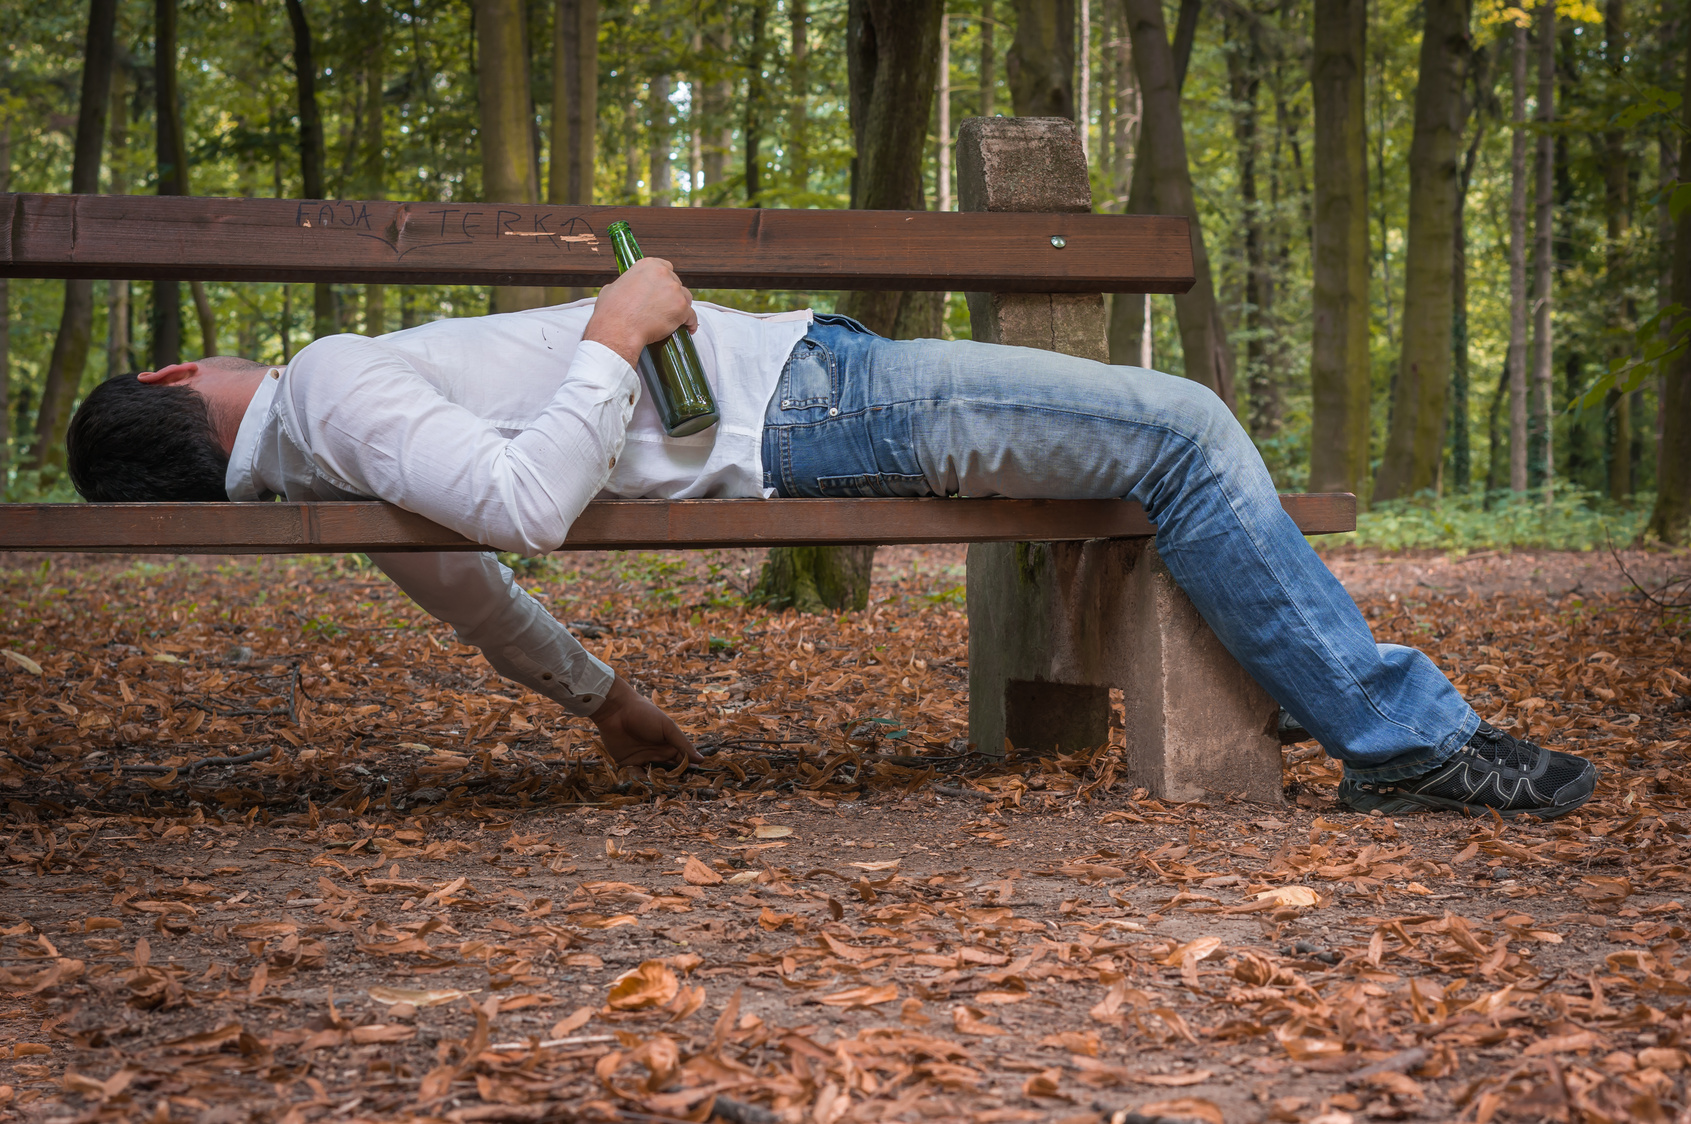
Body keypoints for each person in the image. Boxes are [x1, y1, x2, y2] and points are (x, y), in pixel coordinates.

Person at [66, 258, 1598, 820]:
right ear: (169, 382)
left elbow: (479, 593)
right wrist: (621, 326)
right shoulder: (326, 386)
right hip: (810, 406)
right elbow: (527, 510)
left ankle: (1397, 729)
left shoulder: (332, 481)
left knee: (1172, 441)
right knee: (1187, 428)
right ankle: (1404, 738)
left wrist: (611, 704)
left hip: (807, 399)